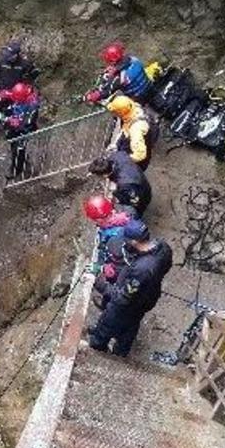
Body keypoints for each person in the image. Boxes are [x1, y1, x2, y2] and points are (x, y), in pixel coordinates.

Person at [87, 220, 173, 357]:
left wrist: (99, 282)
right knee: (132, 324)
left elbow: (122, 298)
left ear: (134, 242)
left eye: (126, 240)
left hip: (131, 303)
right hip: (149, 297)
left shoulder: (142, 269)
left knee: (109, 322)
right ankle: (122, 351)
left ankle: (98, 349)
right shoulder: (163, 247)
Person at [83, 41, 153, 105]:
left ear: (112, 61)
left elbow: (105, 92)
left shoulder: (119, 77)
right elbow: (124, 63)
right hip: (149, 88)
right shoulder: (133, 59)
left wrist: (89, 97)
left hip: (139, 99)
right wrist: (114, 69)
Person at [88, 150, 152, 215]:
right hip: (139, 180)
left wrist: (113, 197)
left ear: (105, 175)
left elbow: (132, 200)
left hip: (141, 197)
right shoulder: (117, 155)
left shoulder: (125, 184)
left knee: (130, 211)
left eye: (98, 176)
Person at [106, 94, 159, 171]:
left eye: (114, 112)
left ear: (121, 113)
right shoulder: (135, 109)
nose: (113, 113)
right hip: (136, 147)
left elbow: (140, 155)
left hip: (136, 163)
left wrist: (120, 160)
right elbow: (125, 129)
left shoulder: (136, 129)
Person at [1, 82, 41, 180]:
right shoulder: (18, 94)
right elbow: (9, 98)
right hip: (14, 125)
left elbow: (29, 122)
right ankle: (21, 162)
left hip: (25, 129)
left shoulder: (33, 105)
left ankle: (17, 170)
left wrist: (16, 122)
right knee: (12, 143)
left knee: (19, 148)